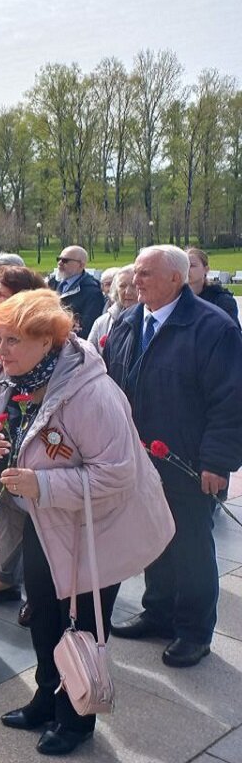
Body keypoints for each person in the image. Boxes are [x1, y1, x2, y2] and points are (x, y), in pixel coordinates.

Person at [0, 289, 175, 756]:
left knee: (77, 623)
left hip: (97, 528)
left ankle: (78, 720)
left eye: (13, 340)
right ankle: (45, 697)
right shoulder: (7, 377)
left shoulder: (91, 393)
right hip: (44, 521)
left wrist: (43, 486)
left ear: (49, 340)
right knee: (41, 610)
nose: (0, 350)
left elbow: (117, 474)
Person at [104, 246, 242, 668]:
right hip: (139, 459)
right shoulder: (129, 321)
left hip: (187, 461)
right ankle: (159, 612)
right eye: (136, 272)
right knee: (153, 538)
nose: (136, 280)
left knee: (191, 546)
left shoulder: (212, 327)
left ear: (176, 279)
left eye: (146, 273)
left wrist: (216, 463)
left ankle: (194, 630)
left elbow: (230, 401)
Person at [0, 264, 48, 625]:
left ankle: (34, 593)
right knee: (4, 516)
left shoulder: (63, 356)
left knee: (37, 528)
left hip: (40, 464)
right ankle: (7, 577)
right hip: (1, 450)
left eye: (2, 295)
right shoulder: (1, 352)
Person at [48, 245, 103, 339]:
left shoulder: (92, 292)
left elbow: (87, 328)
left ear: (81, 265)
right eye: (59, 259)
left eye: (65, 260)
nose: (60, 263)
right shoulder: (52, 283)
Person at [186, 247, 239, 324]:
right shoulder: (174, 299)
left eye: (192, 265)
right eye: (184, 265)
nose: (186, 269)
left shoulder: (222, 300)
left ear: (206, 269)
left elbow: (231, 332)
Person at [87, 265, 137, 344]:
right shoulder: (102, 322)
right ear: (116, 290)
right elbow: (90, 353)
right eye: (122, 286)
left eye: (134, 286)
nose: (128, 292)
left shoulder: (150, 321)